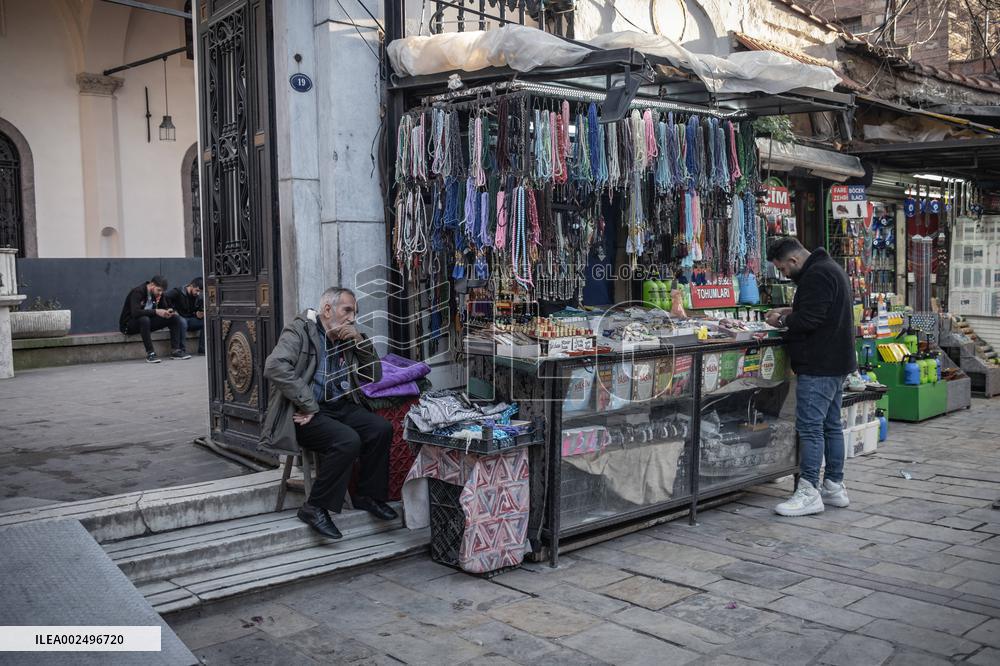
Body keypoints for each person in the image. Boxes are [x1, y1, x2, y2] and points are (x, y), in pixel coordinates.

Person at [261, 287, 395, 539]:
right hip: (303, 412)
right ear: (327, 310)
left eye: (354, 312)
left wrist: (361, 343)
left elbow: (373, 376)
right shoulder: (300, 330)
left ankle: (367, 496)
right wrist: (308, 403)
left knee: (381, 429)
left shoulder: (348, 336)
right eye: (347, 310)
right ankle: (314, 507)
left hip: (338, 406)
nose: (352, 318)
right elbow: (275, 366)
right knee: (347, 440)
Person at [765, 237, 857, 517]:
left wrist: (782, 320)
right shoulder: (829, 268)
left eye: (782, 269)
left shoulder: (817, 275)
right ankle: (833, 485)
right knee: (829, 425)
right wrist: (791, 311)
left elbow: (811, 319)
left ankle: (808, 490)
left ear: (793, 261)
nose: (784, 274)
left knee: (810, 427)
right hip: (835, 362)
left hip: (820, 364)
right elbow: (820, 310)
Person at [119, 276, 190, 363]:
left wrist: (168, 311)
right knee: (144, 319)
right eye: (159, 290)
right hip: (129, 325)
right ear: (152, 285)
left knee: (174, 318)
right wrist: (156, 311)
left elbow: (164, 307)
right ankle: (151, 353)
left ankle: (175, 351)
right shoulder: (138, 292)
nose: (160, 293)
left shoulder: (158, 294)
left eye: (162, 291)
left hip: (147, 323)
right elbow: (135, 313)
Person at [166, 277, 205, 356]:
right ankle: (181, 350)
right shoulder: (178, 291)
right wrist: (172, 310)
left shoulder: (198, 297)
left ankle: (202, 348)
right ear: (191, 286)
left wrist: (197, 313)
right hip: (178, 319)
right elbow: (165, 296)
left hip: (190, 320)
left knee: (206, 322)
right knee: (182, 322)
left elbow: (195, 310)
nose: (198, 293)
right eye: (197, 290)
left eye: (200, 291)